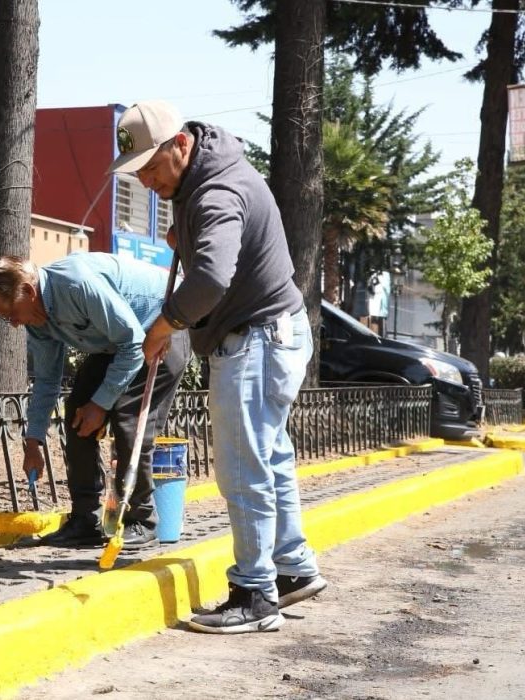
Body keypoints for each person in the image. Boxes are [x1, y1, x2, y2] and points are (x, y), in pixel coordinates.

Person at [112, 100, 326, 634]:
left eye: (152, 169)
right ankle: (292, 567)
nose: (147, 182)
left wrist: (166, 323)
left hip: (255, 338)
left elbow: (210, 279)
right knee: (269, 457)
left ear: (180, 144)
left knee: (241, 466)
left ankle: (254, 594)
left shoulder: (215, 192)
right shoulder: (205, 177)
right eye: (138, 175)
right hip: (276, 331)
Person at [0, 253, 192, 549]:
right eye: (4, 317)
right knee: (78, 410)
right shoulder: (36, 319)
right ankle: (85, 521)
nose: (13, 323)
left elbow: (131, 343)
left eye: (10, 312)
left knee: (128, 417)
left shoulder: (76, 285)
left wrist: (101, 404)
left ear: (28, 290)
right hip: (118, 344)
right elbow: (48, 380)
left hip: (160, 329)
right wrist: (33, 440)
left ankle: (141, 518)